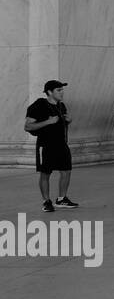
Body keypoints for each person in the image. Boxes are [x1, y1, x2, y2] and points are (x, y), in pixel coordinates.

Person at [24, 80, 77, 212]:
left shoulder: (61, 106)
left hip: (61, 144)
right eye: (58, 90)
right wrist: (48, 121)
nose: (62, 92)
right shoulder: (39, 105)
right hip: (45, 145)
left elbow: (60, 124)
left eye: (62, 90)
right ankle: (46, 201)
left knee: (66, 171)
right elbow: (28, 126)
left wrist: (68, 121)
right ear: (49, 92)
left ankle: (61, 199)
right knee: (45, 173)